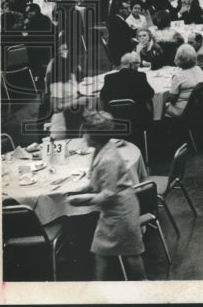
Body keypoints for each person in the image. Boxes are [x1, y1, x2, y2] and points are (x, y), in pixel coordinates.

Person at [67, 112, 146, 280]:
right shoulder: (102, 149)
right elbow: (98, 182)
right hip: (113, 212)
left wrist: (79, 201)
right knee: (103, 252)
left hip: (121, 213)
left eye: (85, 132)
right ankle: (102, 287)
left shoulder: (108, 159)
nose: (83, 136)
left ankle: (142, 286)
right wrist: (82, 190)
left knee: (130, 254)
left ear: (93, 136)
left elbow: (107, 194)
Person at [99, 52, 154, 128]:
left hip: (114, 117)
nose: (138, 66)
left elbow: (102, 96)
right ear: (131, 64)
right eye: (137, 63)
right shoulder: (140, 76)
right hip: (138, 117)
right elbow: (150, 94)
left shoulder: (109, 78)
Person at [163, 44, 203, 117]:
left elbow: (172, 98)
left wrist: (163, 98)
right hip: (199, 107)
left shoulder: (179, 76)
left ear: (178, 58)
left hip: (182, 110)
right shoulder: (199, 69)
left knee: (160, 106)